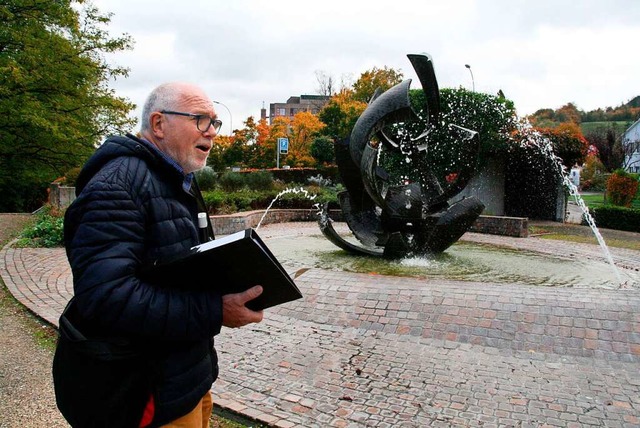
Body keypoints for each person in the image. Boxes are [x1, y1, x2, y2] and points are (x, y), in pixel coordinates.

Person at [53, 82, 264, 427]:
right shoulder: (115, 187)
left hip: (187, 379)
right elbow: (106, 298)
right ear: (159, 124)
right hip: (147, 394)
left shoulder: (176, 179)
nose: (212, 132)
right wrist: (214, 310)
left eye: (214, 122)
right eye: (200, 119)